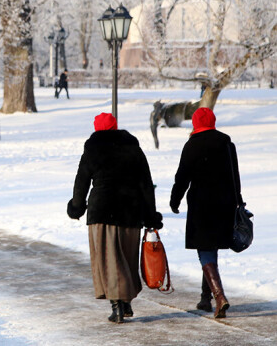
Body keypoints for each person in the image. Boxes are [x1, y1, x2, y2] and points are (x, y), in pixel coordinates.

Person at [67, 113, 163, 324]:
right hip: (130, 212)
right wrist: (150, 215)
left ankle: (117, 306)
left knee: (109, 261)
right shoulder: (133, 148)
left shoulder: (93, 148)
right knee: (126, 259)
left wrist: (76, 207)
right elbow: (146, 184)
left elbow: (81, 181)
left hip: (102, 211)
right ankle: (126, 303)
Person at [170, 107, 241, 318]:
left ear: (195, 123)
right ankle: (205, 297)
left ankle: (219, 297)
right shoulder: (227, 143)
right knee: (212, 248)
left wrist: (175, 200)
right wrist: (238, 199)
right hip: (225, 203)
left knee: (205, 249)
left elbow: (182, 177)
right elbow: (234, 174)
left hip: (202, 204)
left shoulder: (192, 144)